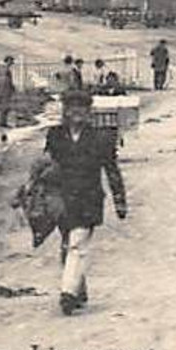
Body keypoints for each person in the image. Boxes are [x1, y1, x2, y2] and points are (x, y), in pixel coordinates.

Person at [45, 89, 127, 315]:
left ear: (89, 112)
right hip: (62, 199)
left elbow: (112, 170)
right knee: (67, 245)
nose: (76, 113)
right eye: (71, 109)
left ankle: (68, 293)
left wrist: (120, 200)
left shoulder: (100, 138)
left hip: (89, 199)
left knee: (77, 244)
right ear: (65, 111)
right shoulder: (54, 136)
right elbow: (46, 166)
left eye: (82, 109)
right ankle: (78, 288)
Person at [0, 55, 17, 138]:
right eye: (11, 62)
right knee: (4, 106)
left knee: (5, 106)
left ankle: (3, 122)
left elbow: (8, 81)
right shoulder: (3, 69)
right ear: (7, 61)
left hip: (5, 90)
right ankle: (2, 123)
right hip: (3, 90)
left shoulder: (5, 70)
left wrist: (12, 87)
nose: (11, 64)